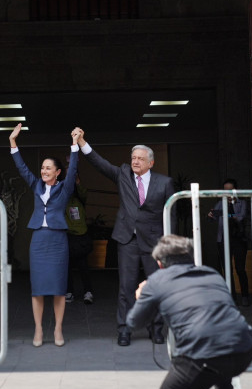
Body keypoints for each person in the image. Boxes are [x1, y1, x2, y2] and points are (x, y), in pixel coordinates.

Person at [127, 235, 252, 389]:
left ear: (160, 263)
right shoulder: (211, 274)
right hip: (244, 348)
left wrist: (142, 296)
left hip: (201, 352)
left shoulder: (156, 281)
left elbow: (133, 323)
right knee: (220, 364)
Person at [73, 127, 175, 346]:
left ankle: (156, 328)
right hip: (127, 240)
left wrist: (168, 248)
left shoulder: (164, 183)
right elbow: (100, 164)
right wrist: (82, 142)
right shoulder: (123, 174)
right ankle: (125, 330)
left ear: (151, 163)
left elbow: (170, 216)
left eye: (140, 159)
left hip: (154, 243)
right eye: (133, 157)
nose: (135, 161)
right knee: (126, 288)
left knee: (155, 287)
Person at [10, 124, 80, 347]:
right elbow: (22, 168)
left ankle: (58, 329)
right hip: (39, 241)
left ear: (58, 172)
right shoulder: (36, 186)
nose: (44, 171)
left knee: (59, 290)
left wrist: (75, 145)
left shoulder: (66, 188)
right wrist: (13, 142)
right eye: (42, 168)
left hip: (58, 241)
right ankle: (39, 330)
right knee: (38, 289)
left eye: (49, 168)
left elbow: (74, 167)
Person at [207, 178, 251, 306]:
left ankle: (245, 296)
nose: (227, 192)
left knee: (240, 268)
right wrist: (211, 215)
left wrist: (227, 214)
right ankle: (231, 297)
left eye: (229, 190)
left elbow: (240, 217)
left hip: (238, 239)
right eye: (225, 190)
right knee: (227, 270)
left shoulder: (241, 203)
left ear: (235, 190)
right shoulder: (220, 203)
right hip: (223, 239)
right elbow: (213, 218)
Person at [64, 165, 94, 305]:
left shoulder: (80, 197)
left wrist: (76, 180)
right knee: (67, 266)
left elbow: (82, 192)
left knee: (83, 265)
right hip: (68, 235)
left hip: (81, 235)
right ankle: (69, 292)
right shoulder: (62, 196)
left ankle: (88, 292)